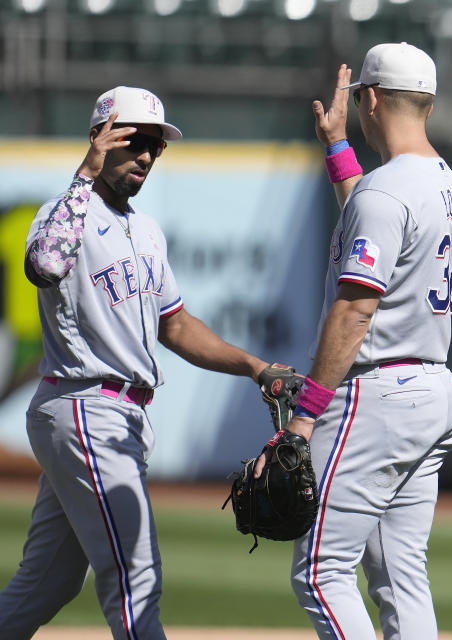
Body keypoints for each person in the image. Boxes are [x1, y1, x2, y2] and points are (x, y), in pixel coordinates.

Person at [0, 86, 276, 639]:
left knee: (47, 584)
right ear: (101, 139)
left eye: (155, 145)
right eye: (133, 141)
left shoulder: (146, 230)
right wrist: (85, 172)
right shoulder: (64, 212)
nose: (146, 155)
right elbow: (43, 265)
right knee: (135, 573)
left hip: (123, 418)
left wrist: (257, 367)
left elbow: (175, 325)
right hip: (85, 407)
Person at [256, 43, 452, 639]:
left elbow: (355, 310)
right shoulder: (446, 186)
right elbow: (375, 218)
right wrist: (337, 148)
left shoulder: (386, 190)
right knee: (400, 577)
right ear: (427, 103)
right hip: (433, 388)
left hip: (379, 396)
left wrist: (303, 421)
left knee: (321, 574)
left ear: (371, 98)